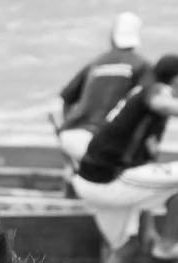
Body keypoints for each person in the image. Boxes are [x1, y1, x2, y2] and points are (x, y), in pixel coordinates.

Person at [69, 53, 178, 263]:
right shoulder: (154, 90)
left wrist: (148, 227)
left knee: (127, 247)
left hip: (89, 180)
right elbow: (162, 103)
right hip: (109, 180)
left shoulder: (142, 107)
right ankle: (168, 247)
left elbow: (143, 169)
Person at [53, 10, 147, 162]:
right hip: (103, 141)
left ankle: (73, 171)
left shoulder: (95, 63)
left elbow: (63, 100)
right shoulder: (142, 66)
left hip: (70, 135)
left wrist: (63, 129)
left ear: (112, 37)